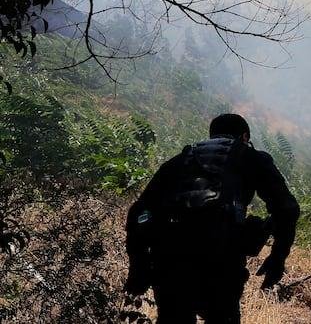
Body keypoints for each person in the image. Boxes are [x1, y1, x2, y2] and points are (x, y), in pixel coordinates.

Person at [123, 113, 301, 324]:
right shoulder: (251, 157)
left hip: (170, 259)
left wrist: (139, 267)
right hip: (221, 260)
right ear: (245, 137)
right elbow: (287, 209)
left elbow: (138, 213)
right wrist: (277, 258)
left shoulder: (179, 161)